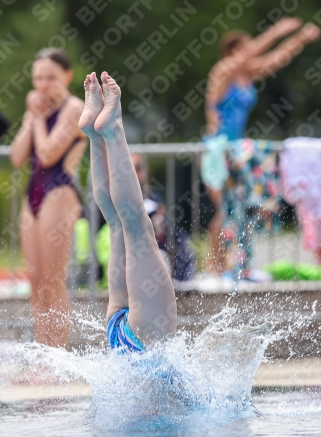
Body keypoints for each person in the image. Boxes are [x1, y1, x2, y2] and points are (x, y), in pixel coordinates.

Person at [203, 18, 321, 275]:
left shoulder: (247, 76)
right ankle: (213, 265)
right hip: (217, 149)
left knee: (239, 208)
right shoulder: (222, 72)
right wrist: (278, 30)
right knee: (225, 209)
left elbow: (277, 59)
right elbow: (252, 54)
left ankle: (236, 265)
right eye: (245, 48)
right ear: (234, 51)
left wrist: (300, 39)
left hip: (237, 151)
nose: (251, 53)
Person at [79, 71, 177, 348]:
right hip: (118, 334)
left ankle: (111, 131)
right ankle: (96, 137)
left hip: (144, 339)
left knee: (136, 228)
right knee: (117, 223)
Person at [11, 48, 87, 348]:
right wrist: (32, 116)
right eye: (38, 78)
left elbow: (47, 154)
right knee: (36, 281)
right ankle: (43, 355)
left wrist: (40, 118)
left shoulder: (74, 108)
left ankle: (58, 358)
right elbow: (18, 157)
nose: (43, 85)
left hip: (59, 193)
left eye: (50, 78)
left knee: (54, 282)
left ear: (67, 77)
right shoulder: (37, 111)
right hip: (33, 196)